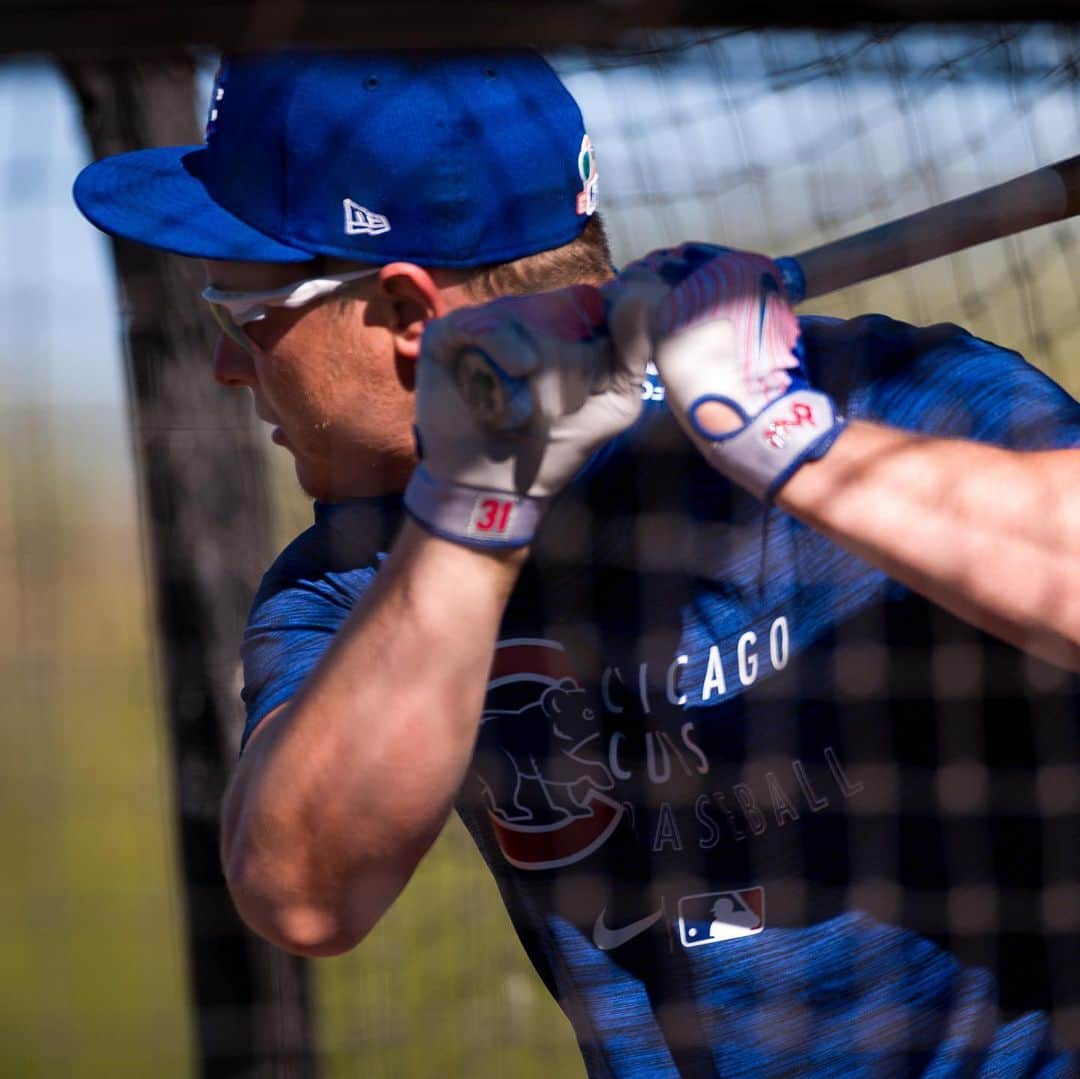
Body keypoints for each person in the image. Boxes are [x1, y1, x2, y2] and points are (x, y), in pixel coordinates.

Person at [73, 49, 1080, 1077]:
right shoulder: (353, 575)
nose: (227, 365)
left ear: (410, 317)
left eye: (244, 319)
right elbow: (300, 889)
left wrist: (787, 437)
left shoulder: (889, 393)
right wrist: (476, 509)